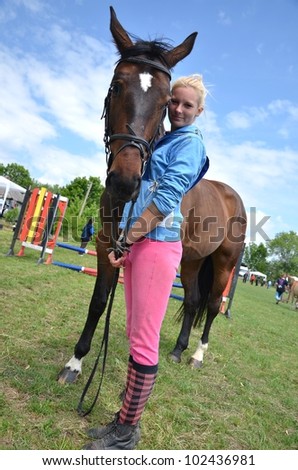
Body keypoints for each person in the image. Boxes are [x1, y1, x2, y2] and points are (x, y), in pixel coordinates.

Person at [83, 75, 209, 450]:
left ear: (199, 111)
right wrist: (127, 238)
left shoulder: (190, 145)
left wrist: (128, 236)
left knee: (143, 341)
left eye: (188, 105)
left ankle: (127, 432)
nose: (179, 110)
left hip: (156, 246)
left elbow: (168, 194)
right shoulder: (163, 140)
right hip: (140, 243)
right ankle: (124, 419)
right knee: (134, 334)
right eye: (175, 102)